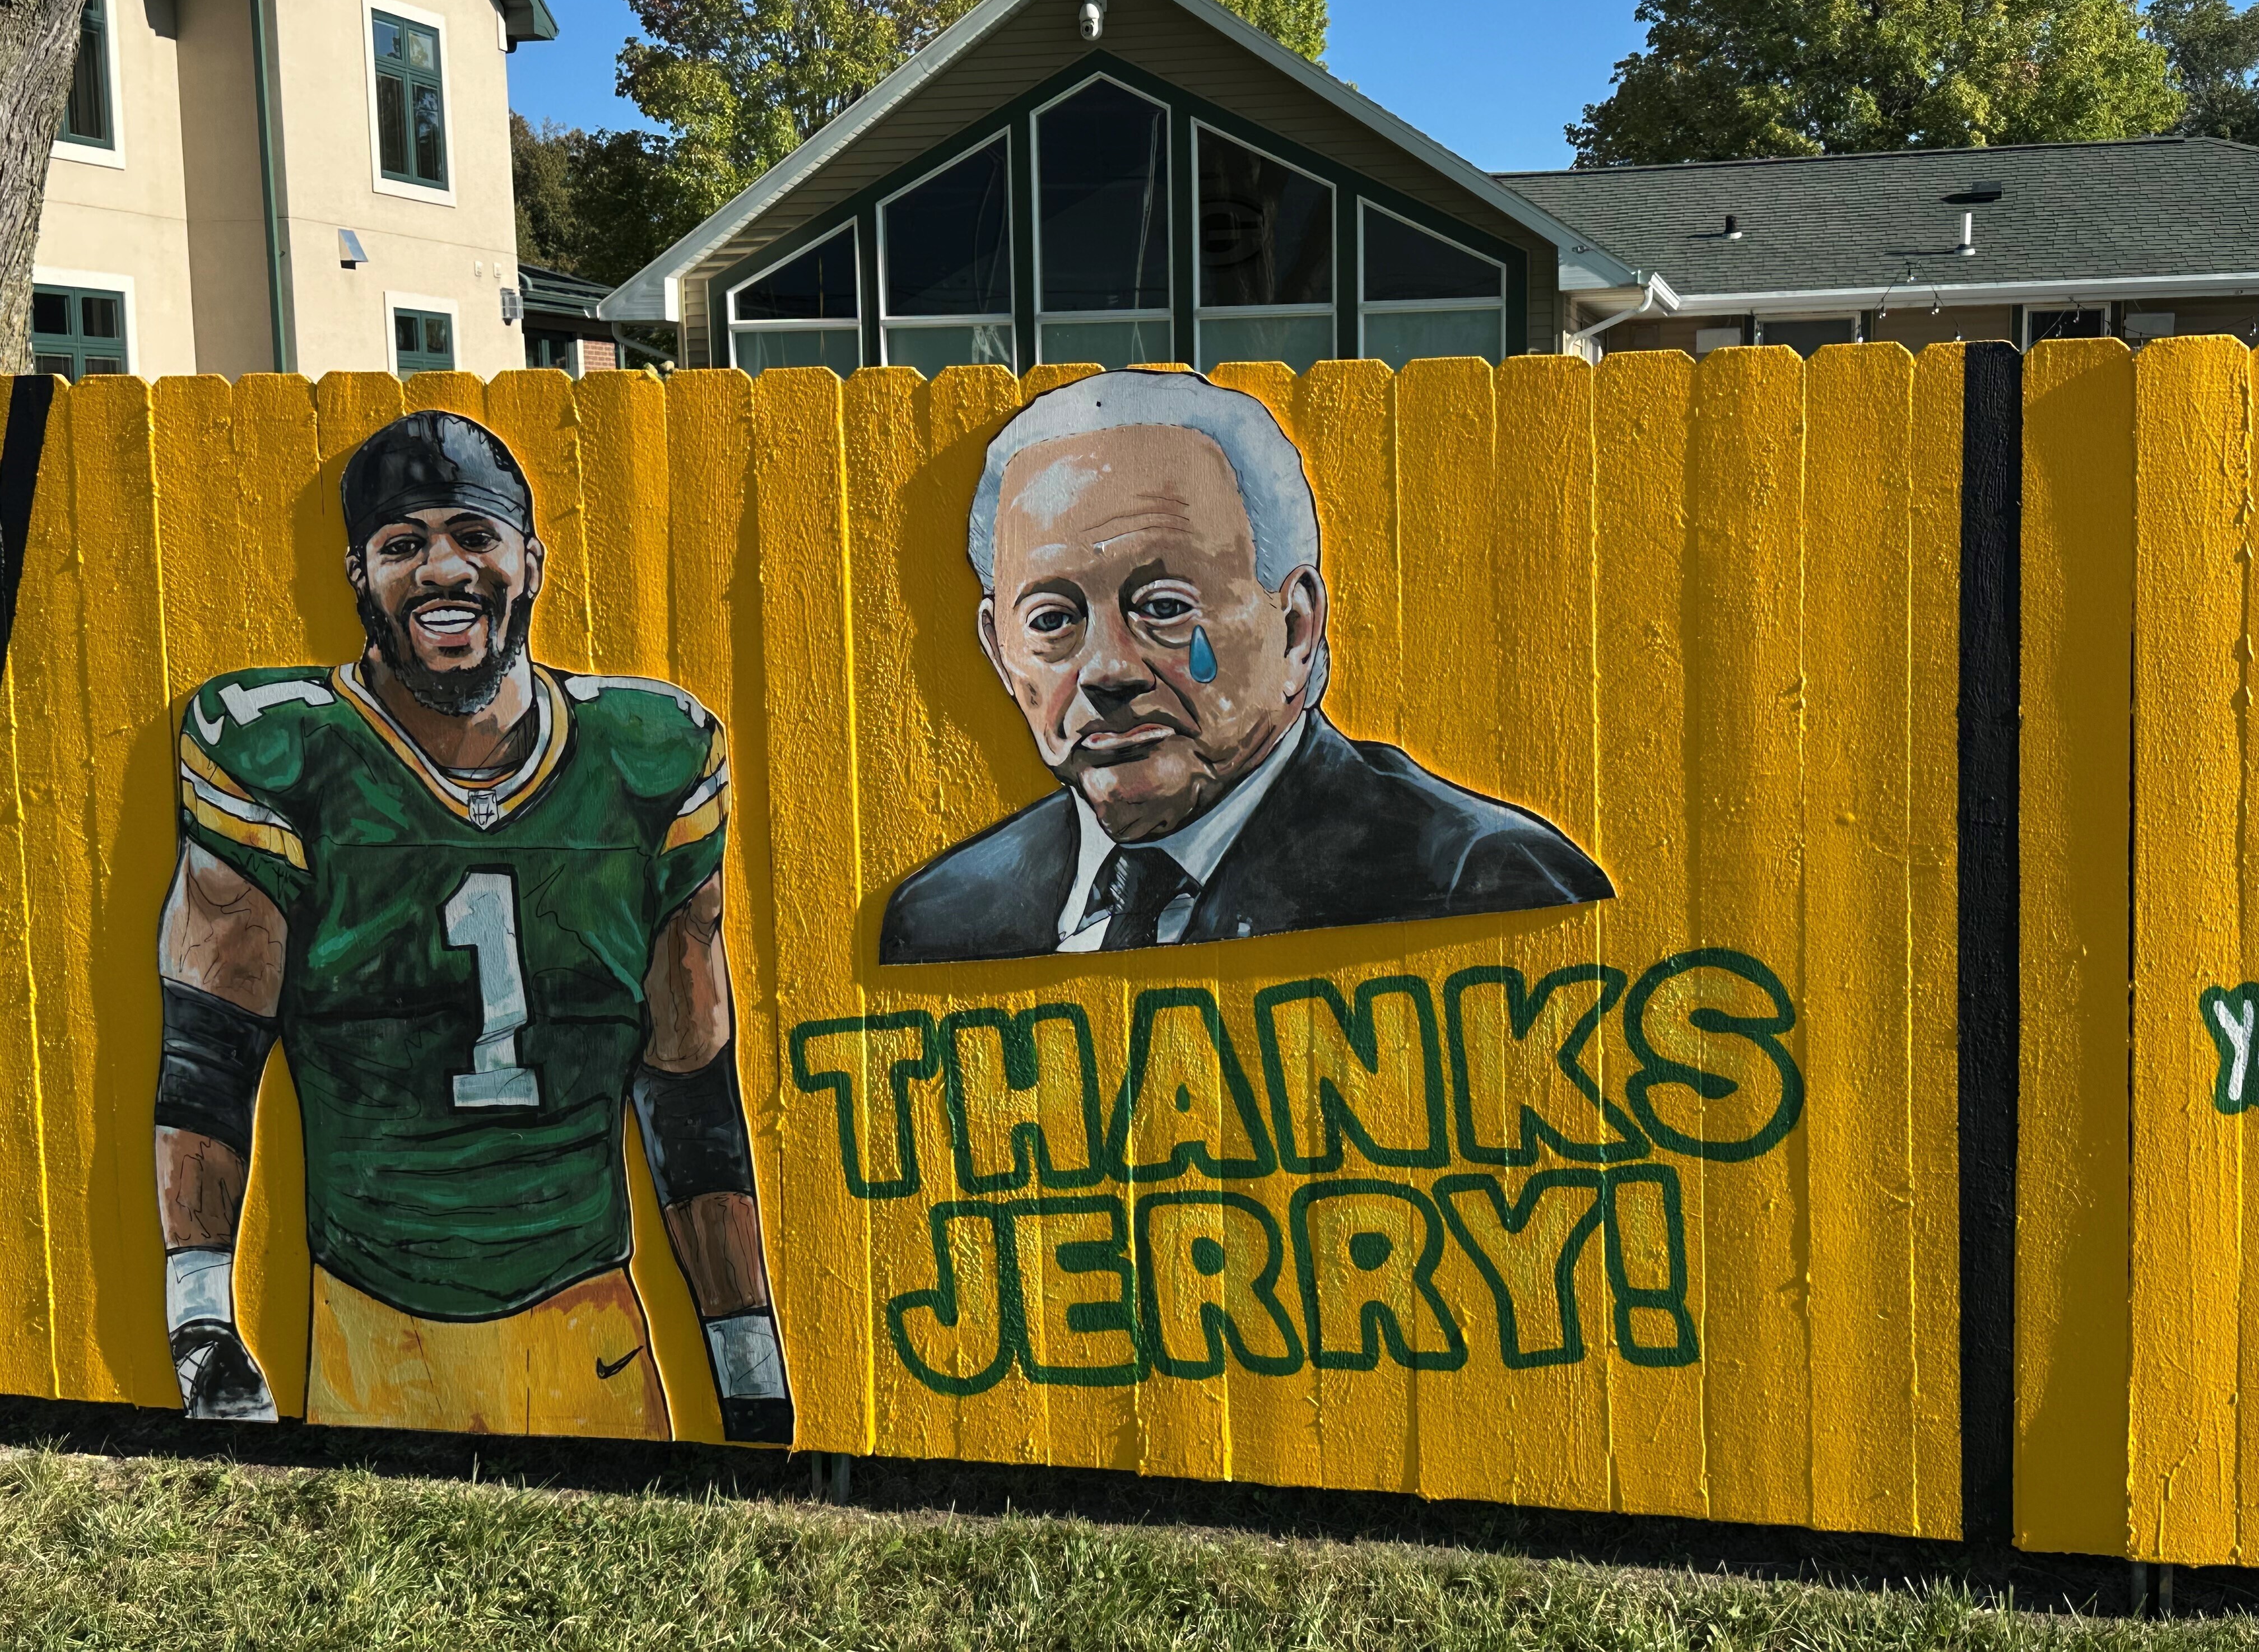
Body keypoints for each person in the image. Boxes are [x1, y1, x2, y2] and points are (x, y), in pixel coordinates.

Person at [154, 409, 791, 1444]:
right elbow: (209, 1060)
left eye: (473, 536)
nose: (443, 569)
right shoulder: (286, 754)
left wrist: (748, 1364)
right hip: (371, 1325)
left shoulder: (647, 757)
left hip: (589, 1323)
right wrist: (203, 1324)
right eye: (403, 544)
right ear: (360, 575)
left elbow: (691, 1085)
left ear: (529, 562)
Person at [880, 370, 1611, 965]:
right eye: (1052, 621)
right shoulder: (945, 916)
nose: (1105, 671)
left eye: (1164, 607)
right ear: (1000, 653)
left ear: (1295, 630)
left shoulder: (1481, 885)